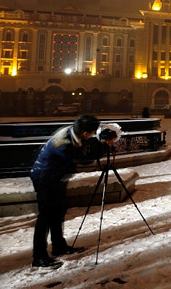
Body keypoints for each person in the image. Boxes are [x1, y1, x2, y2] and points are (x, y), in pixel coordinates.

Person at [29, 114, 101, 268]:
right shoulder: (64, 144)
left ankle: (58, 246)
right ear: (85, 133)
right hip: (44, 177)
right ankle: (39, 257)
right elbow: (83, 159)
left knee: (58, 212)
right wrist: (102, 146)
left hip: (54, 177)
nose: (94, 135)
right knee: (45, 218)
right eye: (93, 132)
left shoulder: (72, 132)